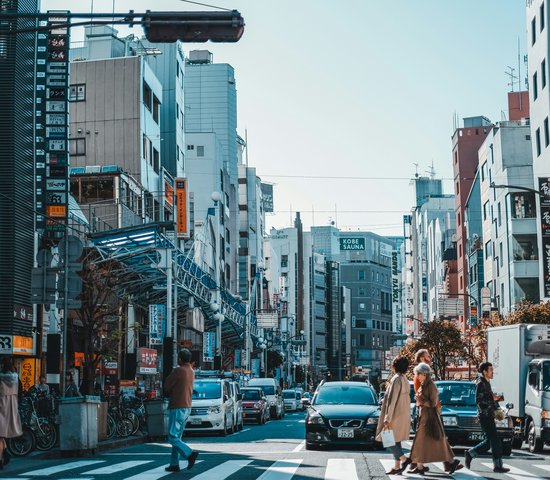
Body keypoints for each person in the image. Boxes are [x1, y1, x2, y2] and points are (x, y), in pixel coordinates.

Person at [405, 363, 462, 475]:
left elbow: (433, 403)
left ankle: (448, 462)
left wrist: (420, 400)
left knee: (428, 441)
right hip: (425, 417)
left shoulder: (431, 385)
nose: (417, 376)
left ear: (424, 374)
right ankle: (422, 466)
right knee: (424, 442)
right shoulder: (424, 384)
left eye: (418, 374)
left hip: (430, 418)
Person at [465, 362, 510, 473]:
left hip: (489, 415)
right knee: (495, 441)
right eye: (490, 369)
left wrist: (498, 409)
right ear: (485, 371)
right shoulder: (481, 383)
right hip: (484, 416)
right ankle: (497, 466)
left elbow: (489, 399)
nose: (492, 371)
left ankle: (470, 453)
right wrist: (492, 399)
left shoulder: (487, 383)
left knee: (489, 442)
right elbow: (479, 401)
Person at [163, 348, 199, 472]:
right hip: (187, 406)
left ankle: (189, 454)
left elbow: (167, 386)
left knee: (172, 437)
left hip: (177, 406)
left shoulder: (178, 370)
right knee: (178, 437)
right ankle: (174, 464)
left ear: (179, 359)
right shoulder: (191, 371)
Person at [375, 356, 411, 475]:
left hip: (394, 414)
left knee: (387, 439)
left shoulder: (396, 379)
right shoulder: (405, 379)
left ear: (395, 366)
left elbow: (392, 399)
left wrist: (387, 418)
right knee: (396, 440)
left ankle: (404, 459)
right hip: (403, 414)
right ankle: (397, 466)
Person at [0, 357, 23, 469]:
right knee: (2, 435)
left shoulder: (0, 378)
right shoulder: (16, 379)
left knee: (0, 435)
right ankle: (4, 453)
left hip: (1, 408)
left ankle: (1, 458)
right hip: (12, 408)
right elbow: (20, 392)